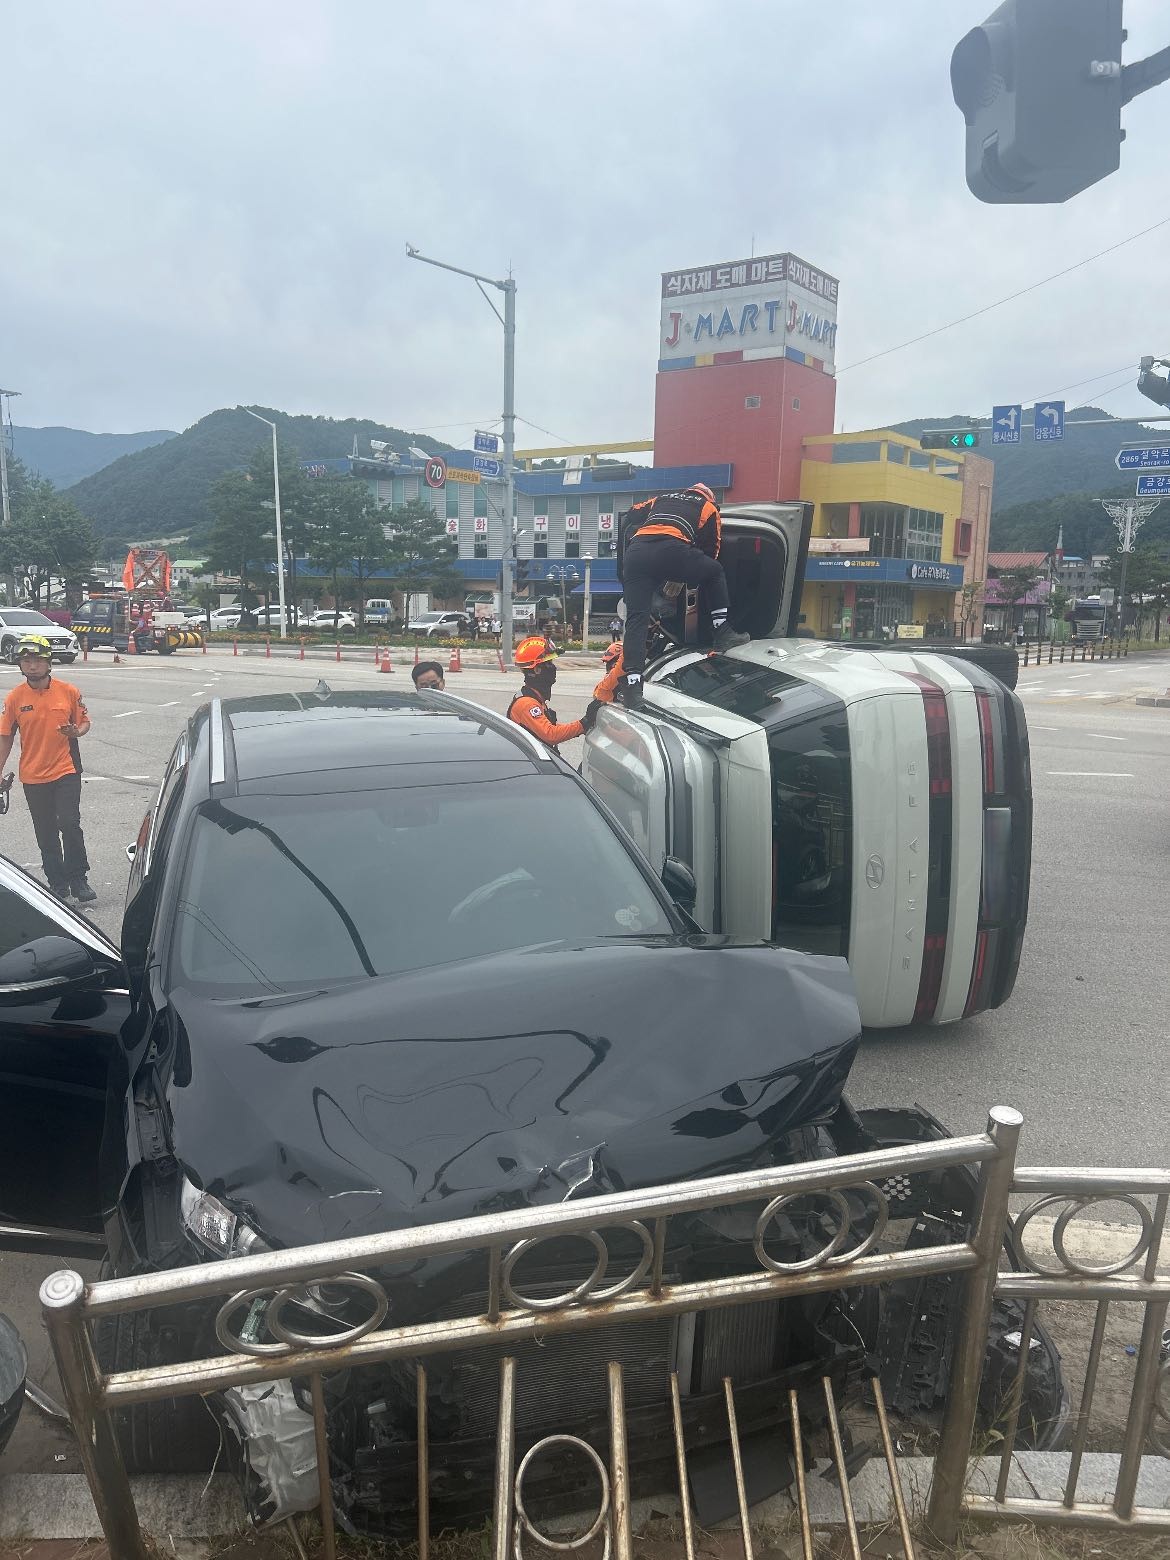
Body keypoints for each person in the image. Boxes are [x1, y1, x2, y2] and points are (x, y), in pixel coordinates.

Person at [617, 482, 748, 705]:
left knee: (637, 620)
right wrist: (685, 574)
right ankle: (722, 632)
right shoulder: (708, 507)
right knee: (715, 572)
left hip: (636, 552)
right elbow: (713, 549)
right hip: (672, 550)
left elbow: (632, 513)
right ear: (709, 497)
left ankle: (632, 686)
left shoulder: (661, 499)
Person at [0, 635, 95, 902]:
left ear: (48, 662)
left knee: (69, 823)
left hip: (66, 769)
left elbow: (84, 722)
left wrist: (77, 732)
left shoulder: (68, 691)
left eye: (37, 660)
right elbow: (5, 736)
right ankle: (57, 883)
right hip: (32, 775)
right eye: (26, 661)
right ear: (20, 664)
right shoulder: (15, 698)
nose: (32, 666)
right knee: (45, 832)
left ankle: (79, 879)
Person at [507, 635, 601, 749]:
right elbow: (551, 735)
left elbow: (550, 728)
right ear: (537, 670)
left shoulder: (534, 698)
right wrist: (584, 723)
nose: (553, 668)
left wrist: (579, 728)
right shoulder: (527, 704)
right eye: (549, 663)